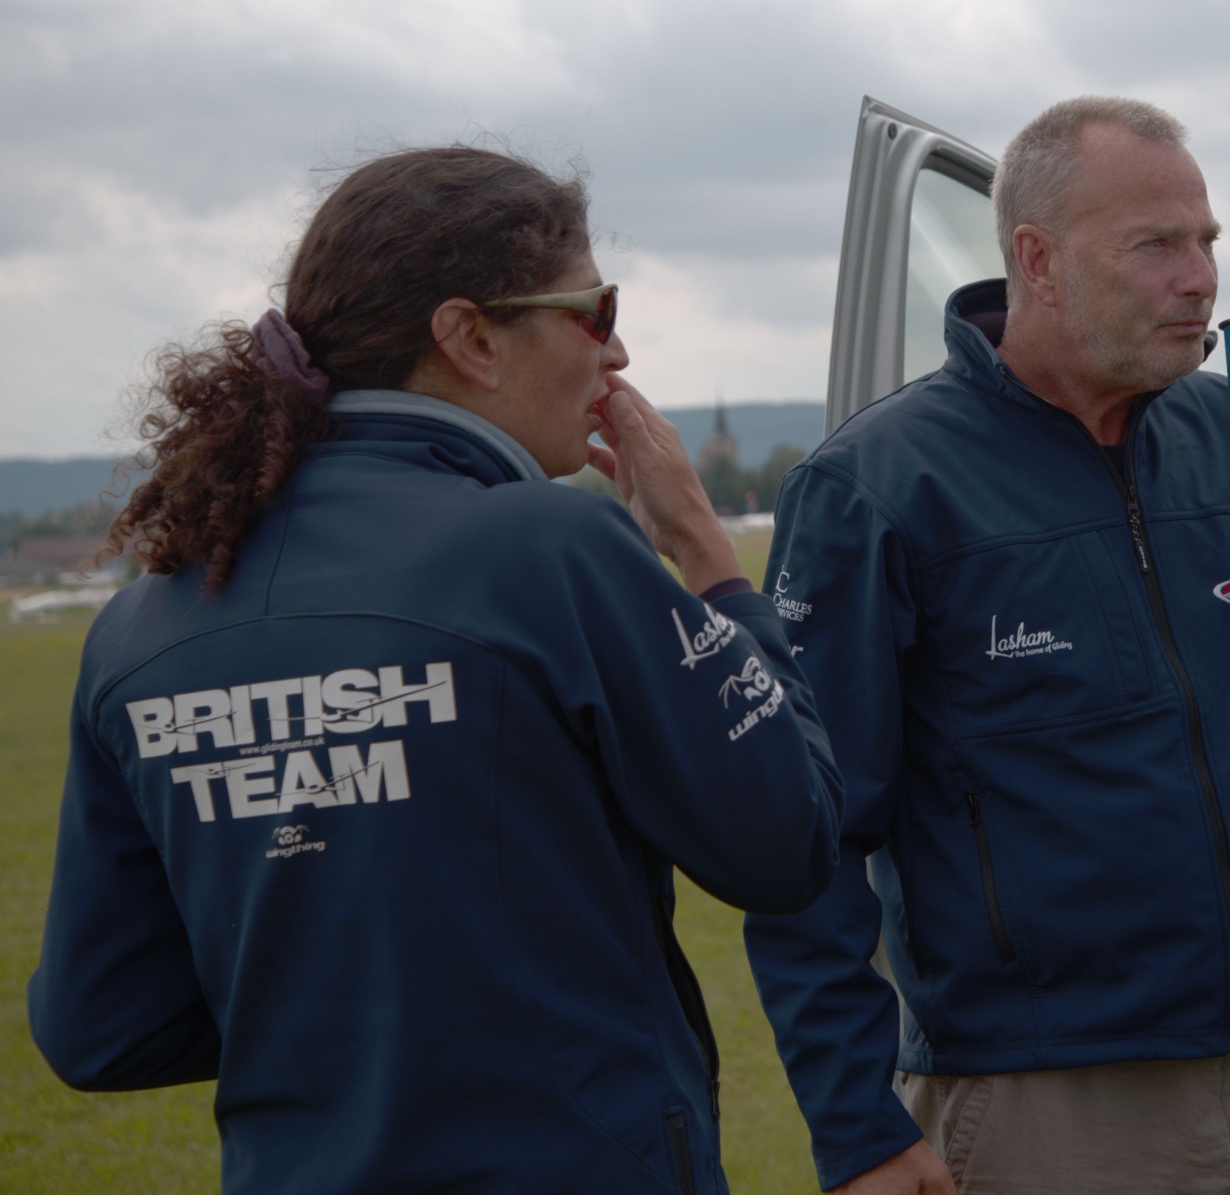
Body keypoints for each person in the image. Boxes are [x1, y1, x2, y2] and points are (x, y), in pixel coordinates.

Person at [28, 147, 843, 1195]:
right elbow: (790, 838)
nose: (618, 350)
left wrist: (330, 1004)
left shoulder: (141, 622)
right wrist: (709, 560)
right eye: (594, 311)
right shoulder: (552, 549)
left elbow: (103, 1027)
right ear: (471, 338)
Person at [743, 96, 1230, 1194]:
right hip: (1049, 1096)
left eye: (1207, 243)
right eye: (1156, 246)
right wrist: (856, 1125)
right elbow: (802, 841)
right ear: (1037, 260)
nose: (1200, 280)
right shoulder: (878, 488)